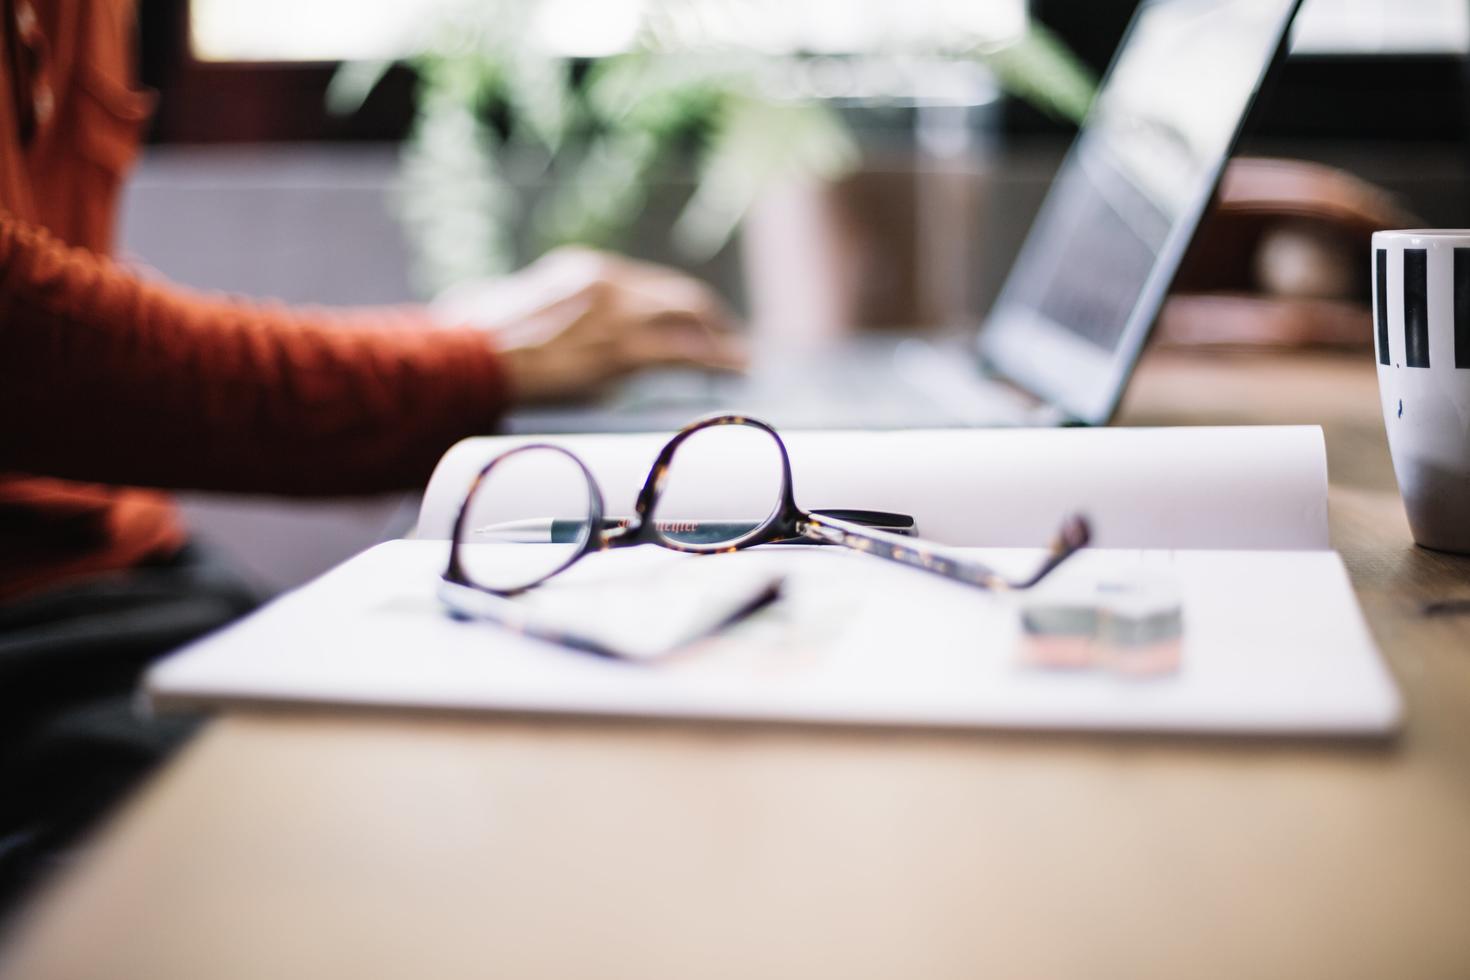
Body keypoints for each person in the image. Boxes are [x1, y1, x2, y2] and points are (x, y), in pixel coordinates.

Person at [0, 0, 742, 910]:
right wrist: (457, 366)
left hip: (128, 573)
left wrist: (457, 355)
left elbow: (60, 284)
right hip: (38, 628)